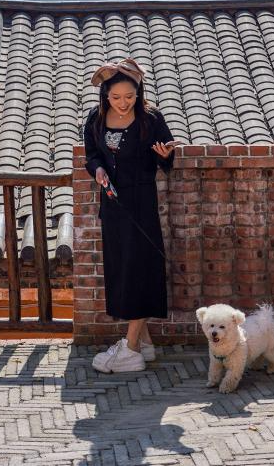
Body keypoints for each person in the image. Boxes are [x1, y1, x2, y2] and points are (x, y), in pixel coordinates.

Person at [83, 57, 176, 373]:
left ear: (139, 93)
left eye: (130, 97)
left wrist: (166, 156)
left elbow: (166, 158)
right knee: (122, 269)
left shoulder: (151, 118)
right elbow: (92, 155)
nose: (123, 103)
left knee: (140, 269)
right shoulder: (95, 119)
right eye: (116, 97)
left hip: (141, 203)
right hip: (112, 205)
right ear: (105, 95)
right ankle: (145, 344)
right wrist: (97, 170)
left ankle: (131, 347)